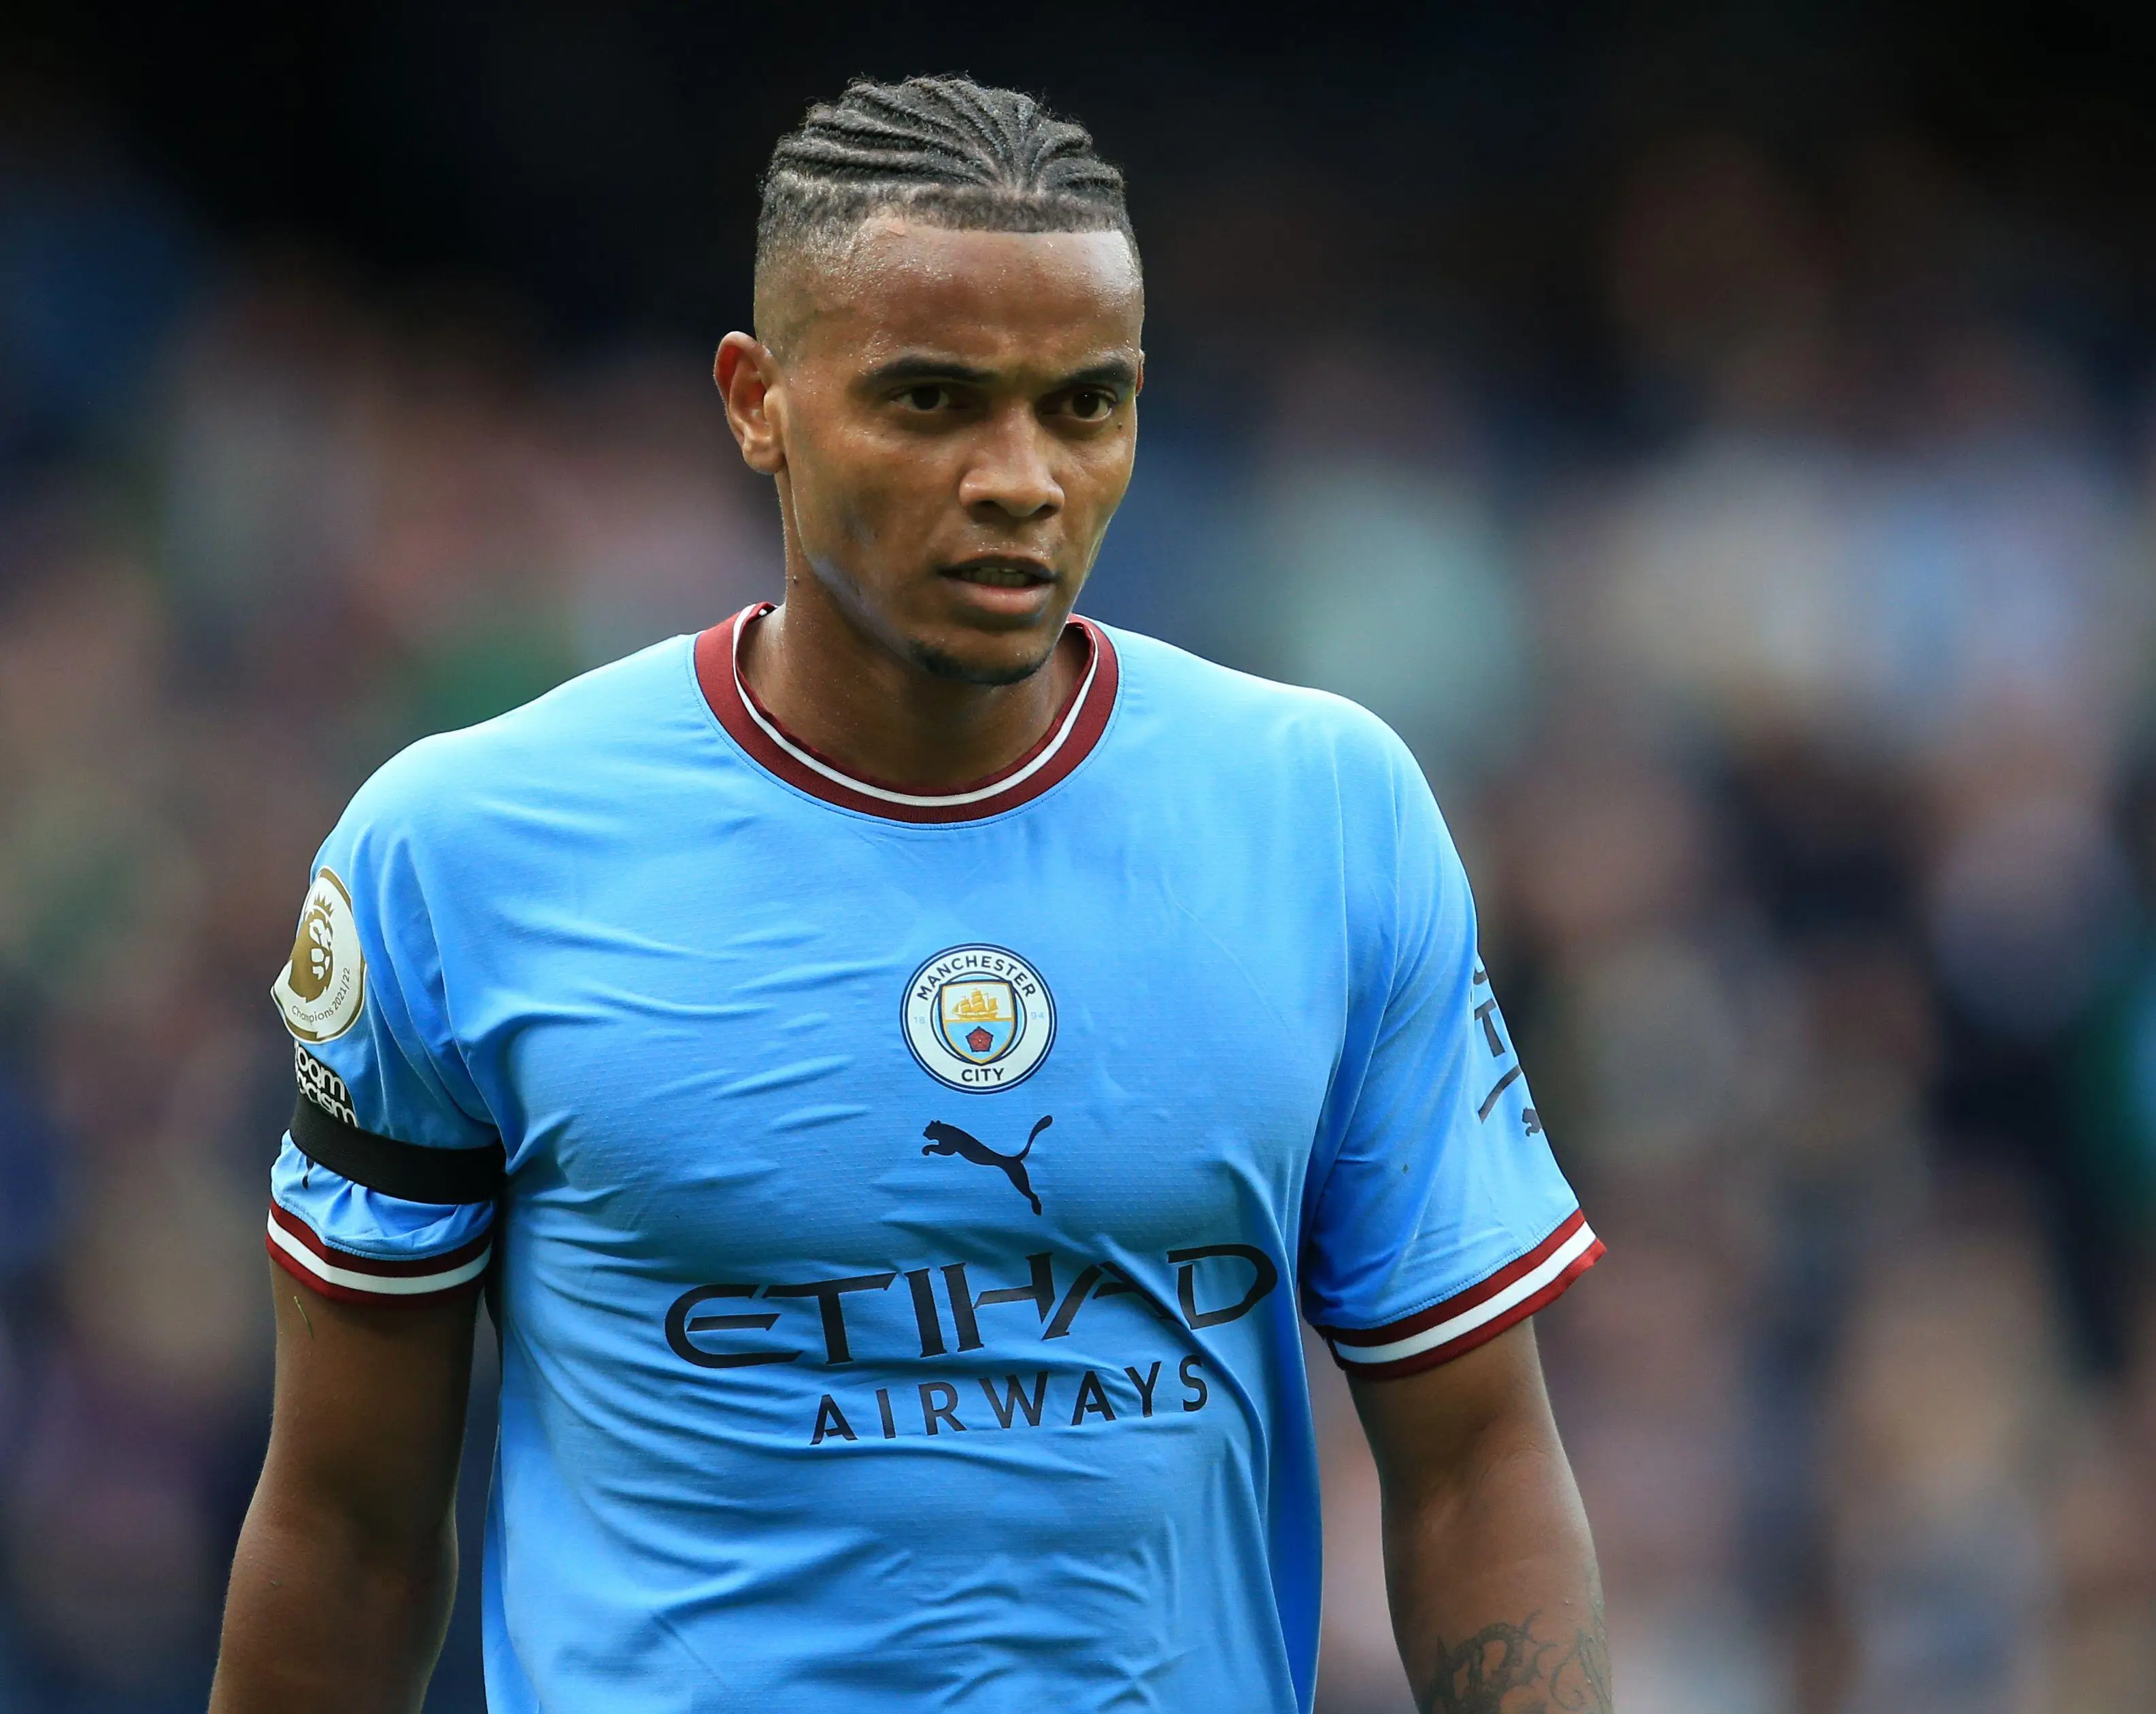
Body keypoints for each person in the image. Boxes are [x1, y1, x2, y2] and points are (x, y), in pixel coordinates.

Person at [209, 75, 1610, 1714]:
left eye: (1084, 406)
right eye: (933, 400)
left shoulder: (1325, 812)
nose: (1020, 476)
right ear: (757, 402)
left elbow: (1475, 1466)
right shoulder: (460, 852)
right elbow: (350, 1529)